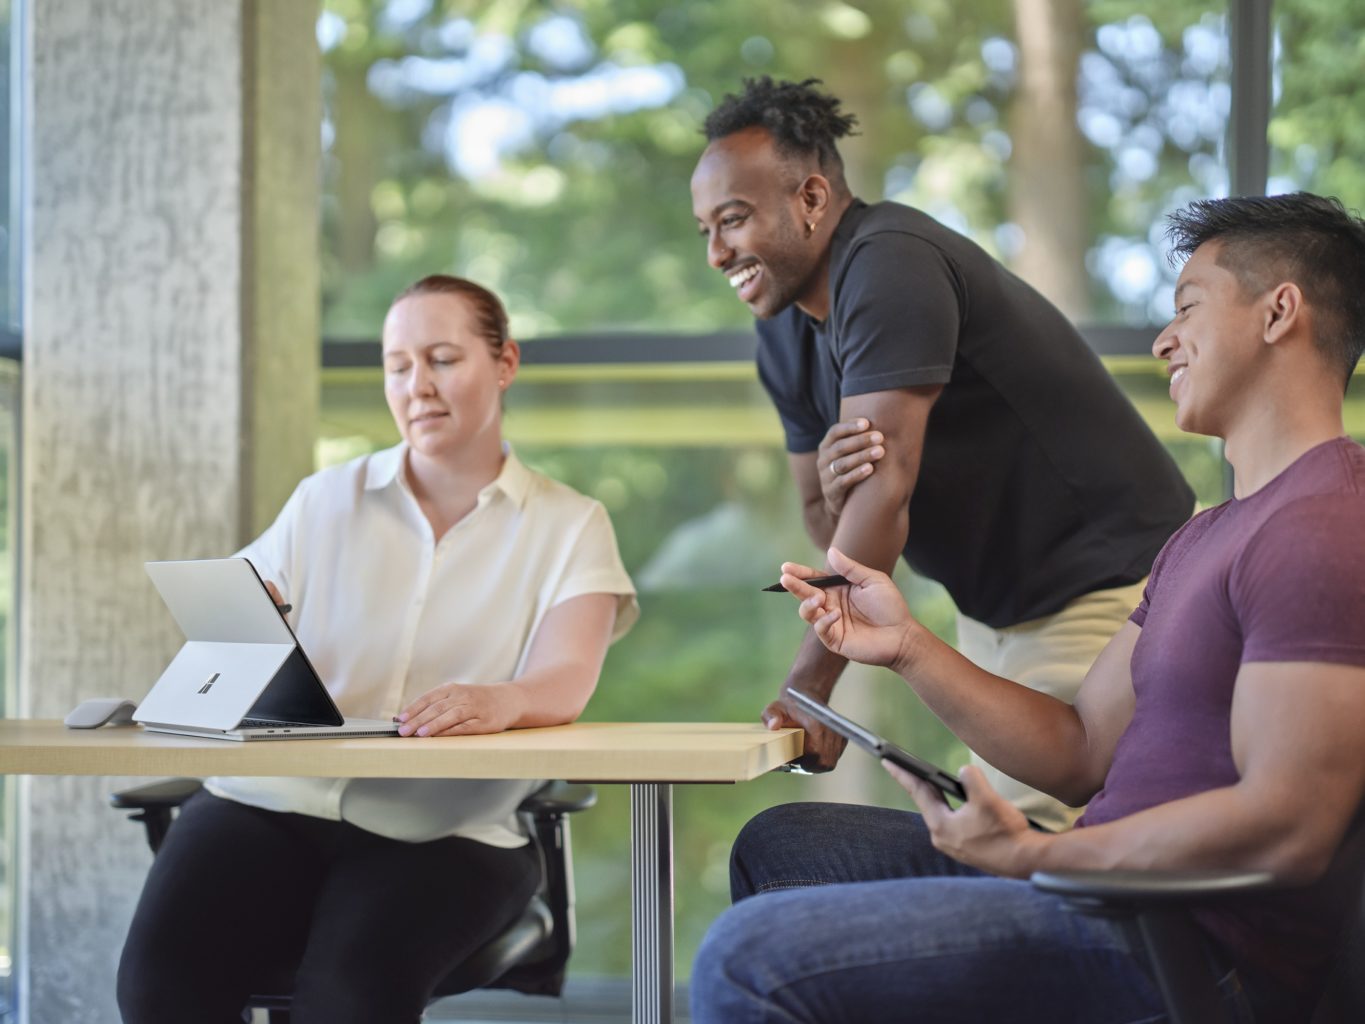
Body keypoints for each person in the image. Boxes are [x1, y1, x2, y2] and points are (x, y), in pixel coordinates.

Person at [689, 192, 1365, 1023]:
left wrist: (1043, 856)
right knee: (786, 846)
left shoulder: (1323, 527)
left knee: (749, 959)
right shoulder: (1203, 536)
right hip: (1103, 900)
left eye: (1187, 308)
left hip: (1182, 947)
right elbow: (1078, 748)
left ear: (1279, 313)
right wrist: (905, 647)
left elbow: (1289, 823)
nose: (1162, 340)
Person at [117, 275, 638, 1024]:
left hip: (443, 826)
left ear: (505, 363)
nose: (416, 385)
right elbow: (231, 633)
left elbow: (565, 676)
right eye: (398, 365)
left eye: (442, 359)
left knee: (350, 1001)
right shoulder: (322, 499)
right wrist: (249, 625)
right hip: (270, 801)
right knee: (157, 988)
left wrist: (500, 700)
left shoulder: (570, 524)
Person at [690, 77, 1194, 829]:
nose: (716, 252)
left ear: (813, 199)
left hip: (1104, 593)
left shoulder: (890, 261)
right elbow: (823, 517)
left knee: (1026, 860)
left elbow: (882, 493)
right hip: (989, 617)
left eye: (733, 220)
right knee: (988, 843)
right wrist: (837, 494)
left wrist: (806, 687)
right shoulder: (782, 332)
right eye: (703, 229)